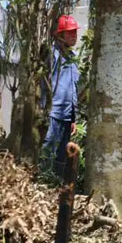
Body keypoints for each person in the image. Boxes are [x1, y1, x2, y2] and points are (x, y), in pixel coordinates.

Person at [41, 15, 80, 178]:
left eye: (75, 33)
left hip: (66, 115)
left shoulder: (73, 58)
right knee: (47, 150)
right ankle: (41, 181)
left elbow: (73, 88)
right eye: (69, 32)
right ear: (60, 35)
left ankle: (54, 185)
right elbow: (44, 82)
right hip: (52, 112)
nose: (74, 36)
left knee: (61, 156)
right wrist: (44, 108)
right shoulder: (52, 53)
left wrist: (73, 118)